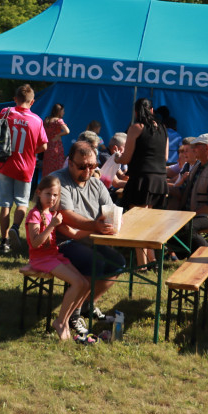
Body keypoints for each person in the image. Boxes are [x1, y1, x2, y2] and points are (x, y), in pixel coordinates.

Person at [53, 141, 124, 335]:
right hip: (61, 243)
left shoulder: (95, 182)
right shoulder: (59, 181)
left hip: (90, 239)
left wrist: (113, 222)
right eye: (82, 166)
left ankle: (86, 305)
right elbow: (66, 216)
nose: (88, 170)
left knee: (118, 263)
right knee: (94, 264)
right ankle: (73, 315)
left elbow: (110, 209)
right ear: (70, 163)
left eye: (92, 166)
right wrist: (95, 225)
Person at [25, 174, 92, 342]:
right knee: (77, 283)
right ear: (39, 192)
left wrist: (96, 228)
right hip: (41, 259)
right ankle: (60, 321)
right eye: (48, 194)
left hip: (54, 256)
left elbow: (75, 234)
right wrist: (51, 226)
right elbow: (35, 243)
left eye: (55, 195)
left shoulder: (53, 213)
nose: (52, 198)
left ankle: (65, 320)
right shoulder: (34, 214)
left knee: (85, 283)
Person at [0, 85, 47, 254]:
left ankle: (4, 241)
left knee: (5, 205)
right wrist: (31, 150)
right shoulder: (37, 120)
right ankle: (15, 227)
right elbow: (44, 146)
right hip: (26, 167)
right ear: (32, 102)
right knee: (22, 203)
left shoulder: (6, 112)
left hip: (5, 164)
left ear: (15, 99)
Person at [116, 98, 168, 265]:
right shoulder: (163, 129)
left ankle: (142, 265)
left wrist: (117, 157)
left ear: (136, 112)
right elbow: (165, 157)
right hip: (159, 180)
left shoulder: (136, 128)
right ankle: (151, 259)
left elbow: (127, 157)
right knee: (148, 223)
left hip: (141, 179)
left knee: (137, 223)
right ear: (152, 111)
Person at [41, 103, 70, 177]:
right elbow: (67, 131)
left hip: (47, 147)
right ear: (59, 112)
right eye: (63, 111)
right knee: (57, 168)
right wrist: (58, 135)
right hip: (57, 147)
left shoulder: (47, 120)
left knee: (47, 168)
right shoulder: (59, 121)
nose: (64, 113)